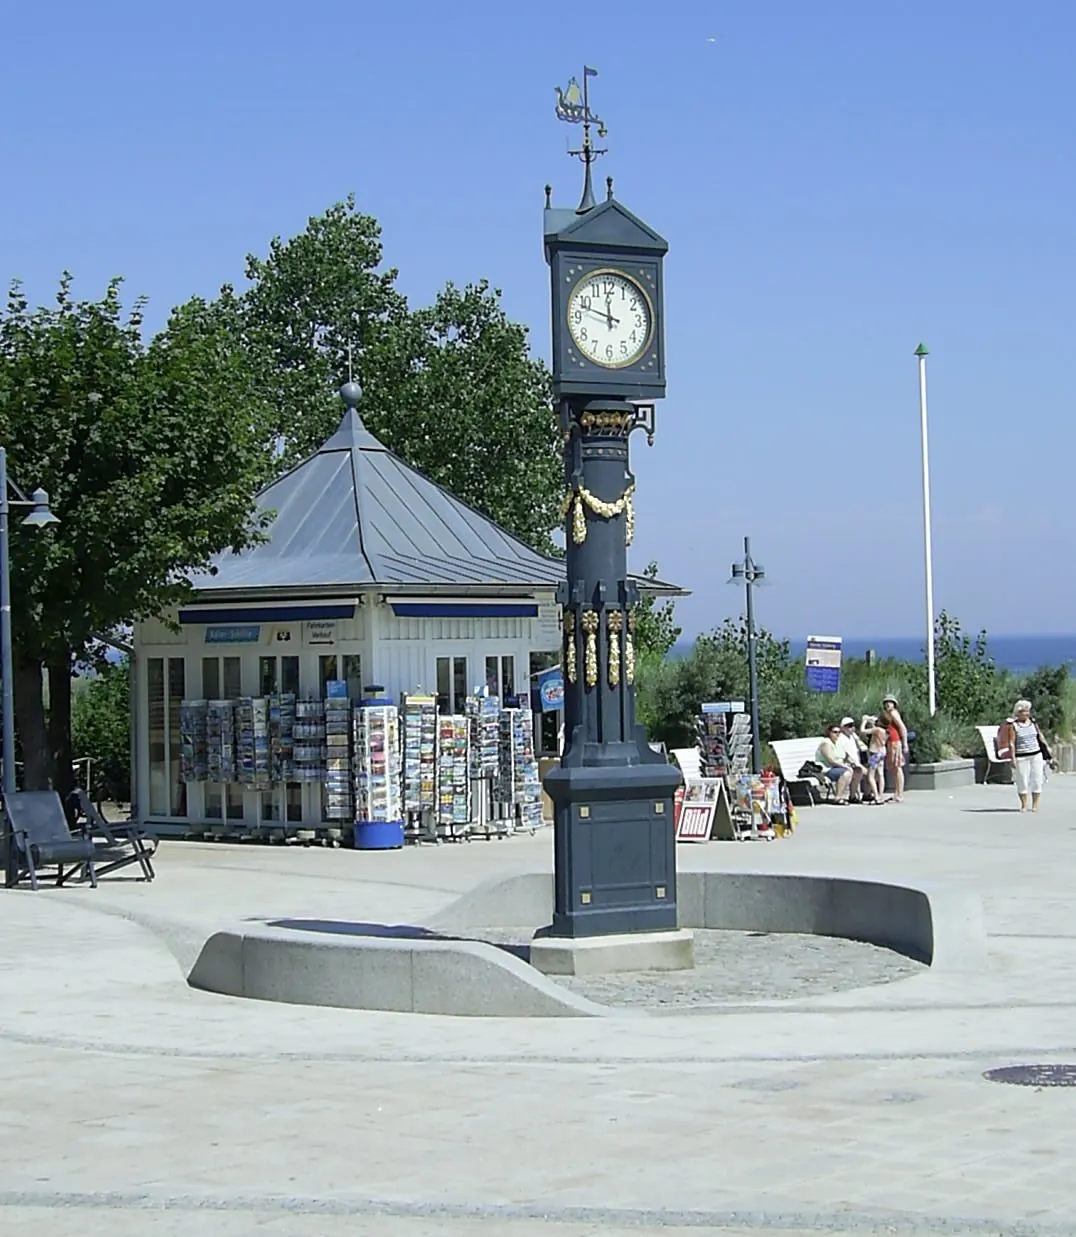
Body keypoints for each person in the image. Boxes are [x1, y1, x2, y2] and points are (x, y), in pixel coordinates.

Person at [996, 699, 1053, 812]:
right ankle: (1024, 804)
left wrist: (1048, 749)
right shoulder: (1014, 725)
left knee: (1037, 779)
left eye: (1028, 711)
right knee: (1022, 780)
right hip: (1021, 756)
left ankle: (1035, 804)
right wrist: (1012, 758)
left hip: (1036, 754)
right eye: (1023, 711)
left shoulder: (1033, 722)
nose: (1026, 713)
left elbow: (1040, 736)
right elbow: (1012, 743)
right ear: (1018, 713)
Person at [880, 696, 909, 803]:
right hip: (890, 742)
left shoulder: (893, 713)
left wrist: (905, 743)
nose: (888, 704)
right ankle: (897, 792)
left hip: (895, 742)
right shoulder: (888, 715)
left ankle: (900, 793)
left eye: (890, 702)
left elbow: (902, 727)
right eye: (886, 702)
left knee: (897, 768)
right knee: (894, 768)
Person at [816, 724, 854, 804]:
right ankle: (838, 797)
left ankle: (853, 796)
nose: (837, 734)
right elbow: (831, 760)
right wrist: (845, 766)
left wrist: (853, 763)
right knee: (847, 772)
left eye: (839, 732)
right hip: (826, 769)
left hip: (837, 767)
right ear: (829, 733)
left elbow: (845, 756)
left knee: (858, 771)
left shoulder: (838, 743)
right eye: (835, 732)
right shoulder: (826, 743)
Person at [836, 717, 867, 802]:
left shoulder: (852, 736)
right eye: (849, 726)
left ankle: (863, 794)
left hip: (856, 762)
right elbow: (845, 755)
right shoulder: (841, 738)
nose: (852, 728)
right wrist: (857, 764)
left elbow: (863, 747)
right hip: (847, 763)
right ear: (842, 727)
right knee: (860, 771)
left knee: (870, 772)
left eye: (853, 725)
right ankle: (852, 795)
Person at [860, 714, 889, 803]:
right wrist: (872, 723)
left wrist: (864, 721)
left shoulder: (877, 730)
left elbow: (862, 731)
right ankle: (881, 795)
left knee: (871, 776)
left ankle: (876, 796)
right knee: (880, 774)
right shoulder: (885, 731)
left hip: (875, 753)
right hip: (882, 752)